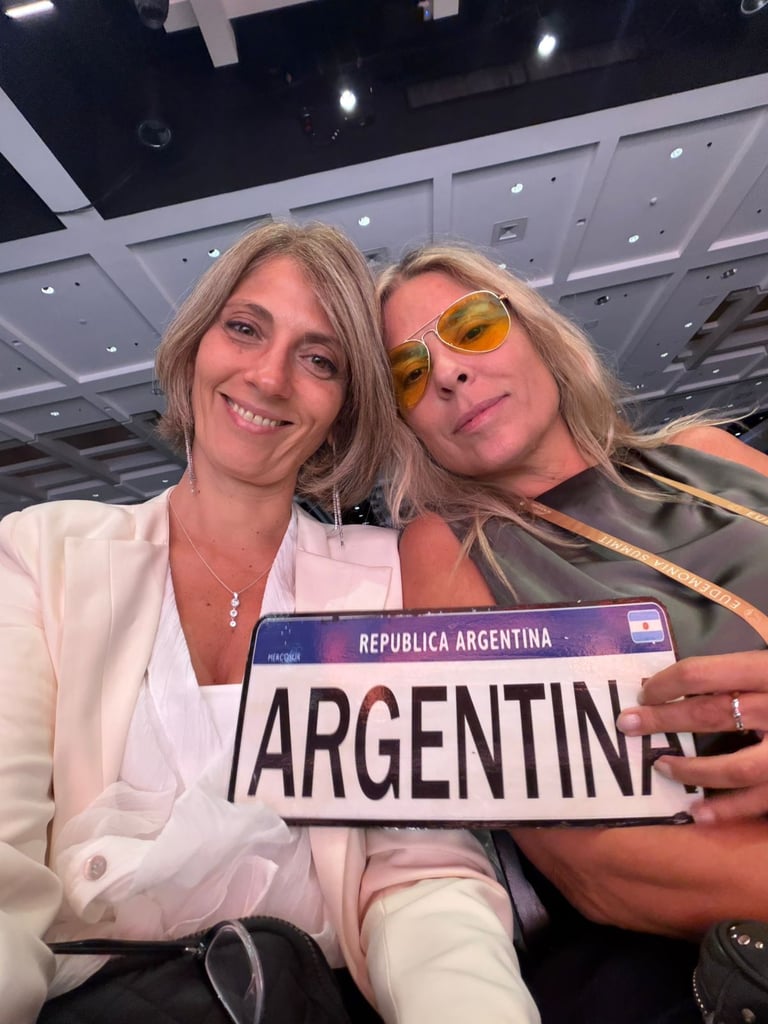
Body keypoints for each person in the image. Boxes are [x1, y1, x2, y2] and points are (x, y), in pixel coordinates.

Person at [0, 223, 539, 1024]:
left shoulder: (387, 578)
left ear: (343, 408)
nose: (269, 376)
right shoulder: (43, 553)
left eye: (319, 360)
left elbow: (422, 871)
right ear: (196, 345)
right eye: (246, 328)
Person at [376, 241, 768, 1024]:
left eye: (472, 328)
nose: (448, 373)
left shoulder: (705, 454)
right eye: (410, 374)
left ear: (535, 331)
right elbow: (597, 864)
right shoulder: (447, 551)